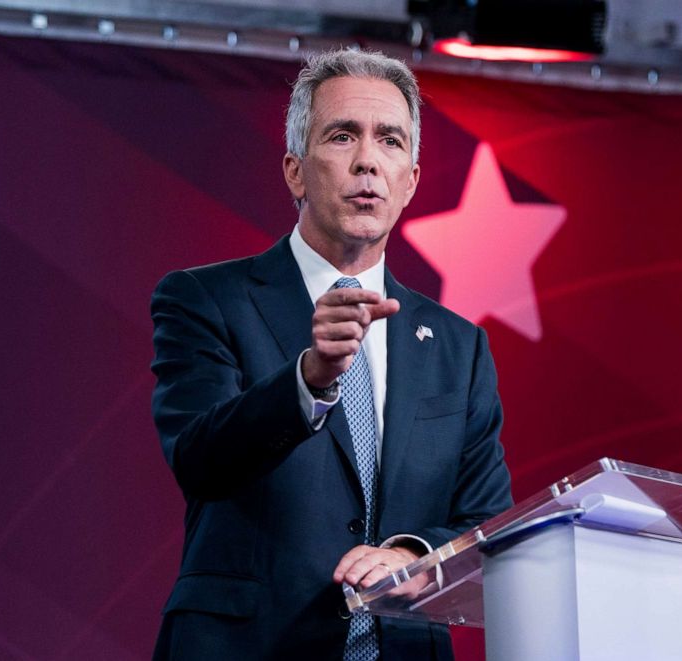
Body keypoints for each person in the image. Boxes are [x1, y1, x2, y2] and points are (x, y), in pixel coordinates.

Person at [150, 48, 513, 661]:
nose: (368, 160)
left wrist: (412, 556)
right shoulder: (206, 299)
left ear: (411, 181)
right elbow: (199, 459)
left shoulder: (459, 345)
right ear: (295, 171)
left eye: (390, 141)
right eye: (343, 136)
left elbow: (484, 520)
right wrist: (307, 381)